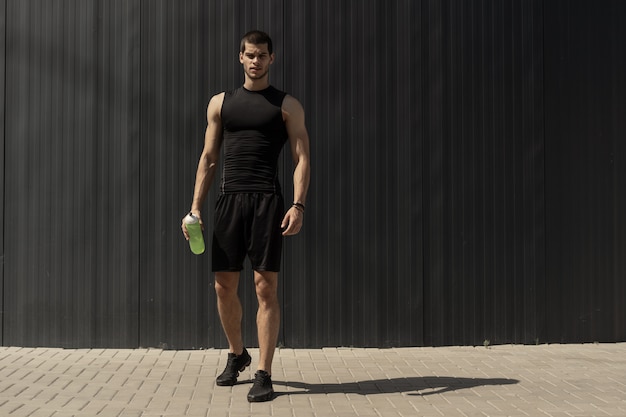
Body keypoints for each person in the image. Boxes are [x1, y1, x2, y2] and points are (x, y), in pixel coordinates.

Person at [181, 30, 311, 403]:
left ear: (272, 59)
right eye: (250, 55)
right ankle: (238, 354)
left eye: (262, 56)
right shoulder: (221, 103)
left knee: (264, 287)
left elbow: (302, 158)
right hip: (228, 202)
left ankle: (264, 373)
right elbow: (208, 158)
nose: (256, 61)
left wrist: (298, 205)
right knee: (223, 285)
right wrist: (194, 209)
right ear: (240, 57)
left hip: (267, 202)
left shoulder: (287, 105)